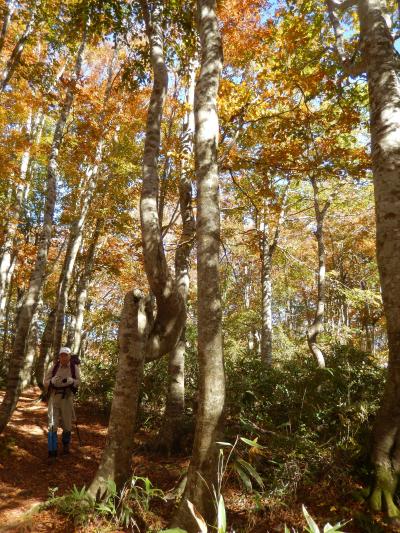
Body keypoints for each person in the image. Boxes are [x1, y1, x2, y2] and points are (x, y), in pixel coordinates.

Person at [44, 347, 80, 460]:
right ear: (59, 356)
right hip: (54, 397)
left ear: (69, 356)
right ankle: (52, 451)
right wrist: (51, 381)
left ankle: (65, 445)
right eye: (62, 355)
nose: (63, 357)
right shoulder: (54, 367)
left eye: (66, 355)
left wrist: (72, 381)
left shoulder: (74, 368)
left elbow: (79, 382)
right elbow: (45, 382)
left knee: (67, 424)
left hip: (67, 398)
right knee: (52, 424)